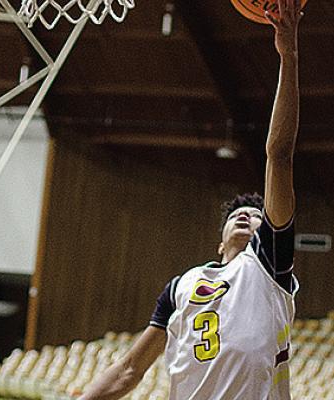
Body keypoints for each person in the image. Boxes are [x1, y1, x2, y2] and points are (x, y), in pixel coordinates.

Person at [78, 0, 302, 398]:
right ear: (219, 240)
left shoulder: (268, 265)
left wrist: (289, 56)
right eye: (239, 215)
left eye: (256, 216)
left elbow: (279, 155)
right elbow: (130, 369)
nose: (248, 218)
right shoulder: (183, 285)